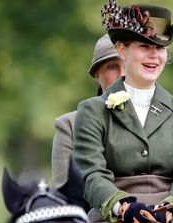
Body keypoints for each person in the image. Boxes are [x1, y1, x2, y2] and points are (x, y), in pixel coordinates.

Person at [73, 1, 173, 223]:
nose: (154, 56)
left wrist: (171, 209)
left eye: (159, 48)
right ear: (122, 50)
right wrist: (123, 207)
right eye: (145, 46)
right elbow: (93, 176)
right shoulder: (92, 112)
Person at [51, 34, 123, 190]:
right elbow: (64, 201)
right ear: (97, 75)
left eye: (129, 64)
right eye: (112, 66)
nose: (123, 74)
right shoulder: (70, 126)